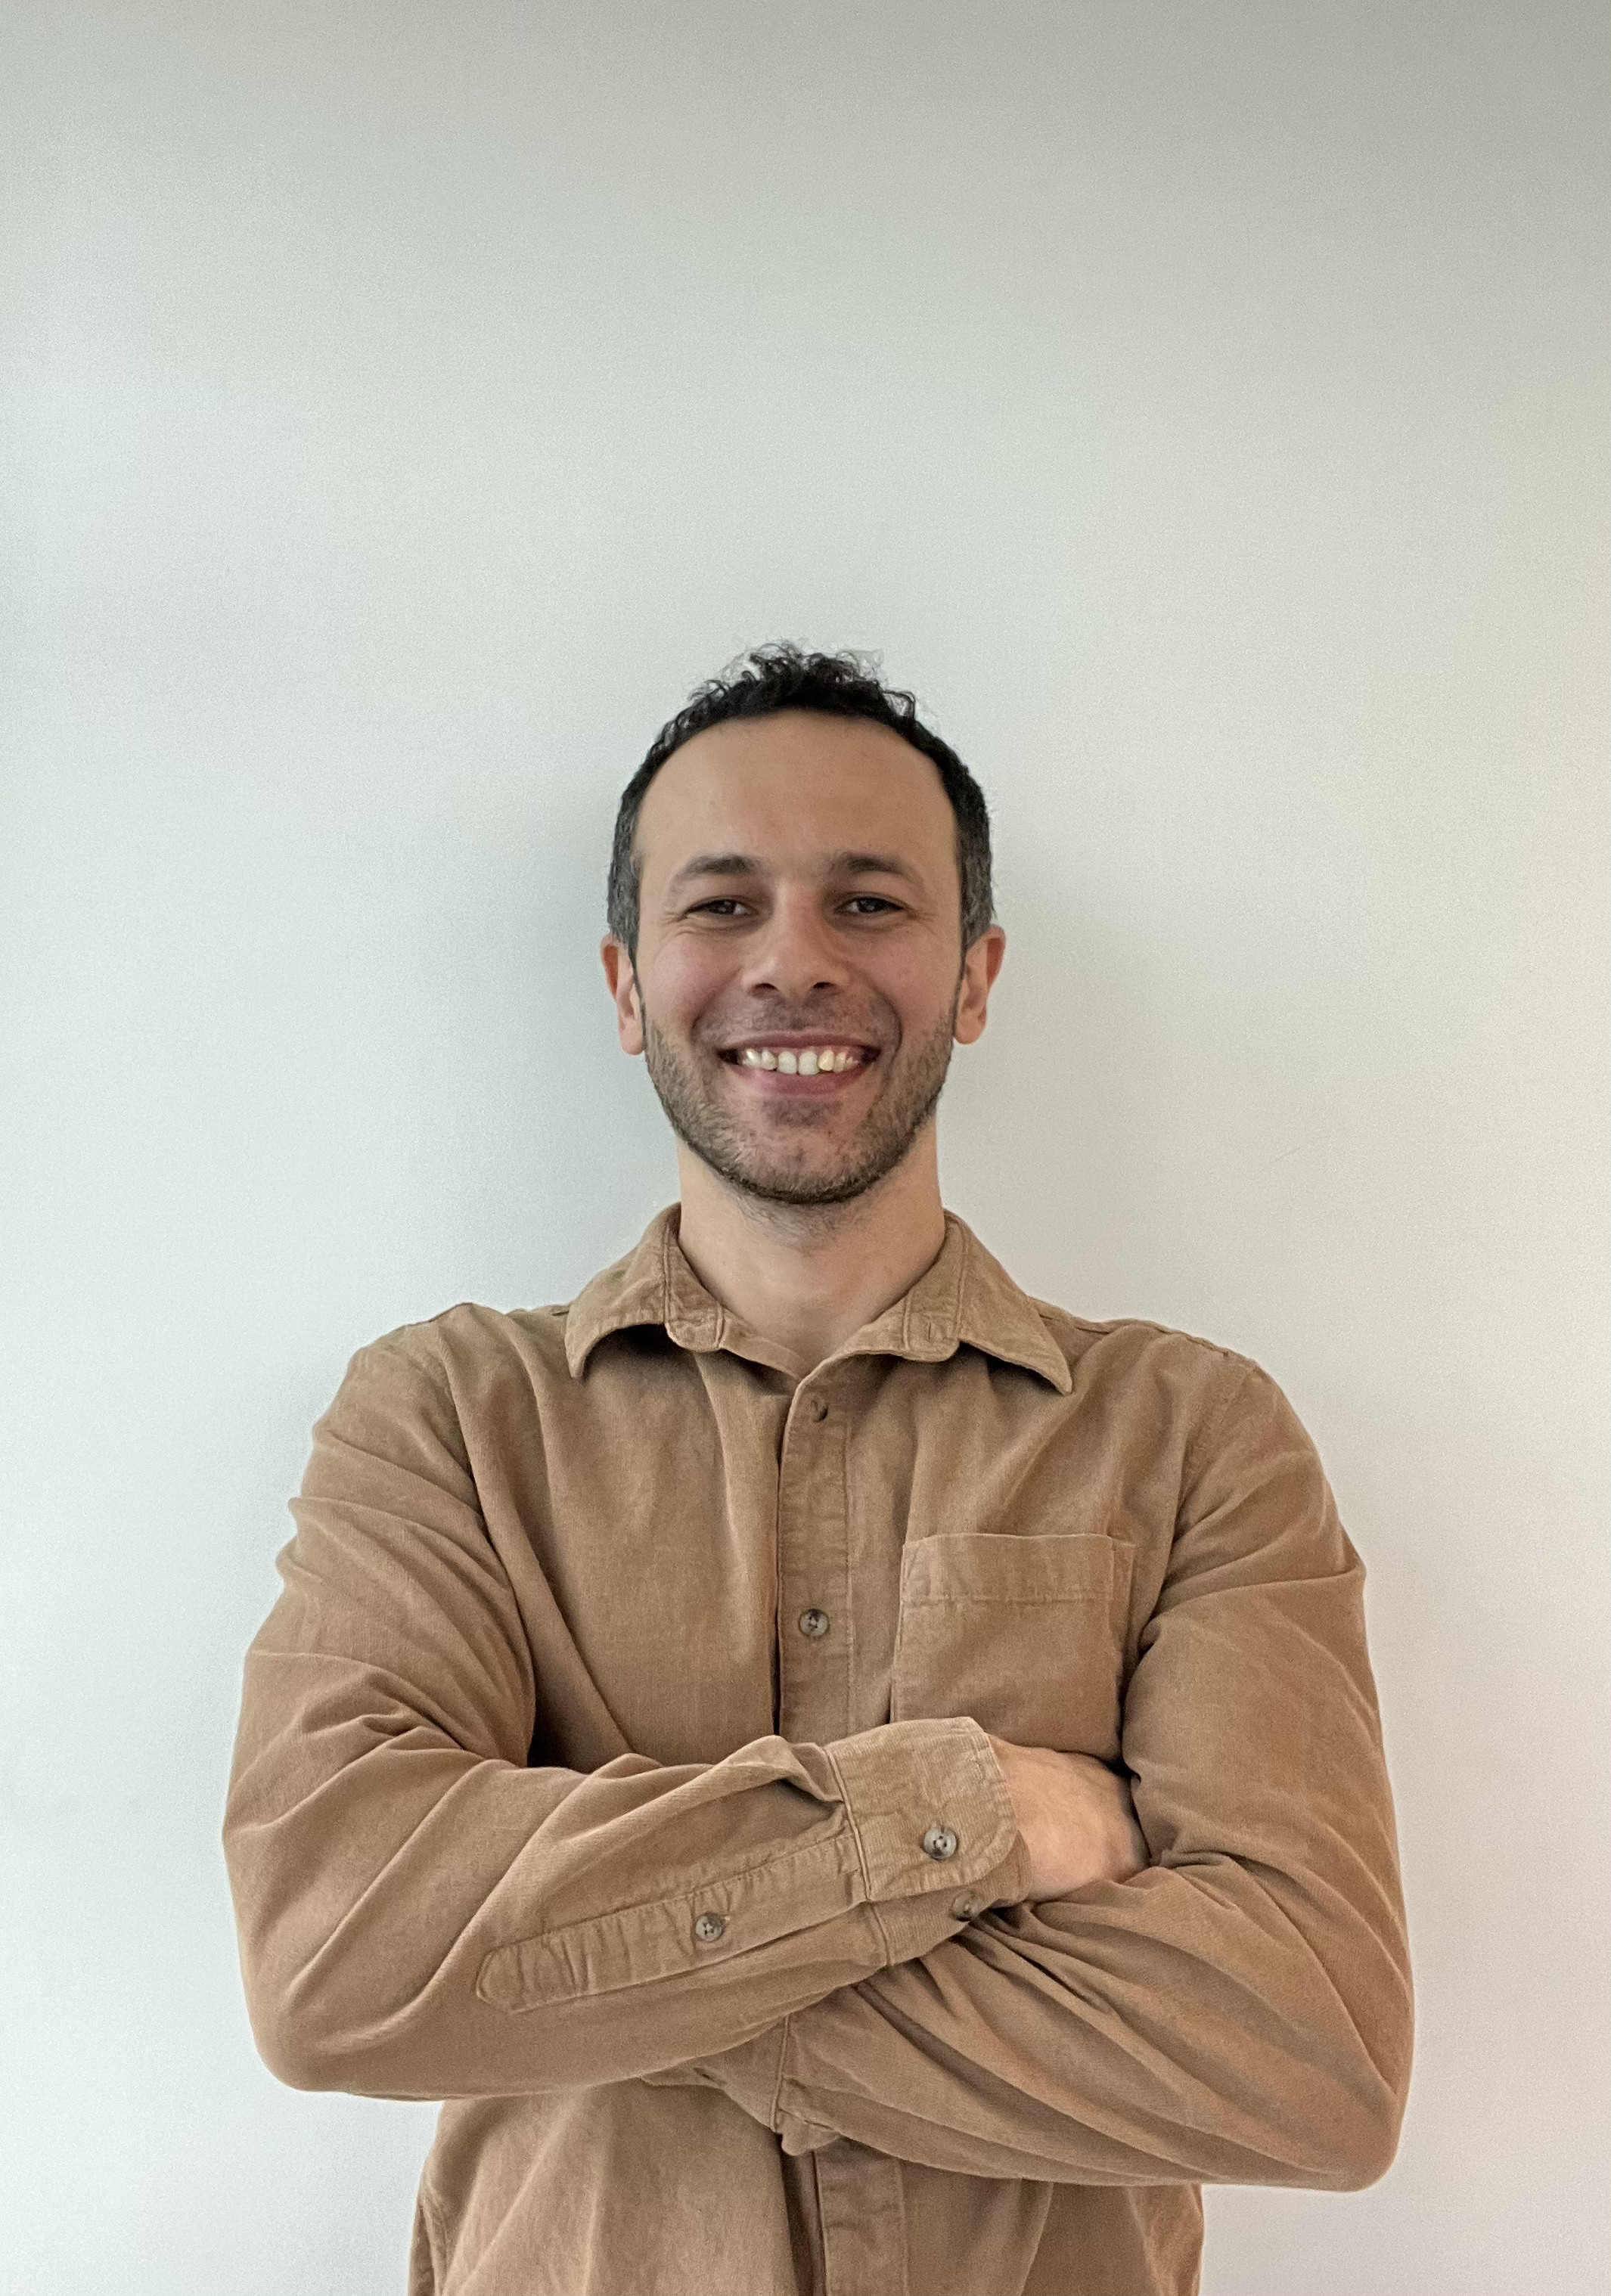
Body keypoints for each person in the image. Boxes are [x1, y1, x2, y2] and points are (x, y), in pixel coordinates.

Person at [223, 644, 1413, 2296]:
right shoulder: (444, 1420)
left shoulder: (1193, 1434)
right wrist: (977, 1818)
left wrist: (594, 1965)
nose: (793, 960)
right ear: (629, 983)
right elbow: (335, 1961)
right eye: (721, 905)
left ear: (975, 974)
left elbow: (1309, 2055)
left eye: (868, 904)